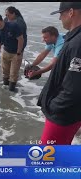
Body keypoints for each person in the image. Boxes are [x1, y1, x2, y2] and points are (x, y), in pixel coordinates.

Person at [37, 2, 81, 145]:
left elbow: (73, 89)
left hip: (63, 115)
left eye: (61, 14)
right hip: (69, 112)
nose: (59, 19)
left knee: (48, 157)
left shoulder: (77, 43)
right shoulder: (73, 37)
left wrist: (53, 107)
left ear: (71, 12)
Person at [0, 12, 24, 92]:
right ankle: (5, 93)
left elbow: (21, 39)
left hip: (16, 53)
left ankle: (11, 93)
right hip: (6, 52)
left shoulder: (13, 26)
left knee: (13, 75)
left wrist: (18, 53)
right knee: (5, 73)